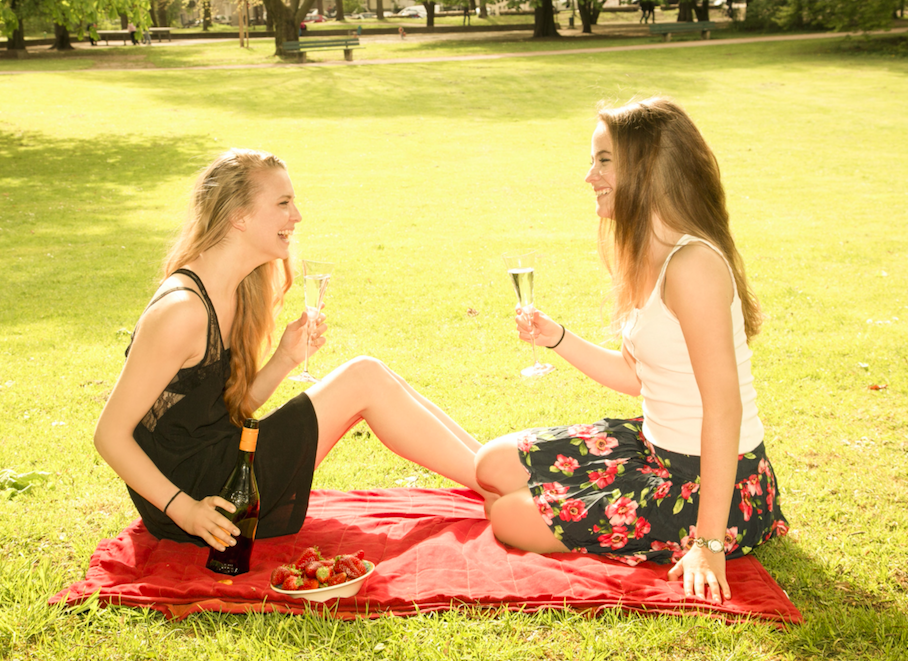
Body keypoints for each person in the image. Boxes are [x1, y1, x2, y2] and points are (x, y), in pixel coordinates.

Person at [94, 149, 492, 553]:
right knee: (364, 377)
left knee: (373, 376)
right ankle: (500, 480)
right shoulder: (182, 311)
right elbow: (109, 435)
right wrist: (185, 510)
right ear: (239, 216)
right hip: (204, 501)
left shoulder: (232, 291)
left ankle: (497, 470)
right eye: (283, 203)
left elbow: (227, 412)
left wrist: (284, 358)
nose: (297, 216)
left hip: (228, 469)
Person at [475, 97, 788, 605]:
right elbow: (638, 376)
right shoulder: (647, 253)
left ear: (647, 169)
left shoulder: (693, 267)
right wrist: (556, 337)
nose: (589, 177)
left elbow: (724, 407)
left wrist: (708, 545)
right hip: (653, 449)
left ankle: (703, 533)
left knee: (508, 516)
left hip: (714, 484)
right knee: (489, 464)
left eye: (604, 161)